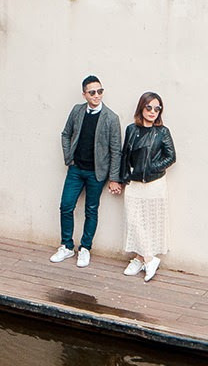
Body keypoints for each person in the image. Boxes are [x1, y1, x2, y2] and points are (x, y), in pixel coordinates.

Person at [54, 75, 122, 267]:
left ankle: (85, 248)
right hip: (76, 170)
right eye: (92, 92)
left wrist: (114, 178)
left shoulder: (111, 118)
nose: (97, 95)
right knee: (66, 206)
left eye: (100, 91)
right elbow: (66, 134)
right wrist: (69, 157)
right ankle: (67, 247)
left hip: (96, 174)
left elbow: (116, 151)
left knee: (91, 210)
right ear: (84, 94)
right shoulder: (77, 111)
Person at [110, 91, 175, 281]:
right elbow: (124, 155)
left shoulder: (162, 132)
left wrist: (150, 167)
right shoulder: (132, 129)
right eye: (149, 107)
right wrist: (119, 179)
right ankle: (148, 259)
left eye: (157, 108)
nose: (153, 111)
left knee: (149, 223)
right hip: (134, 183)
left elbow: (171, 157)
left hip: (154, 184)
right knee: (134, 221)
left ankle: (140, 259)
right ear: (141, 107)